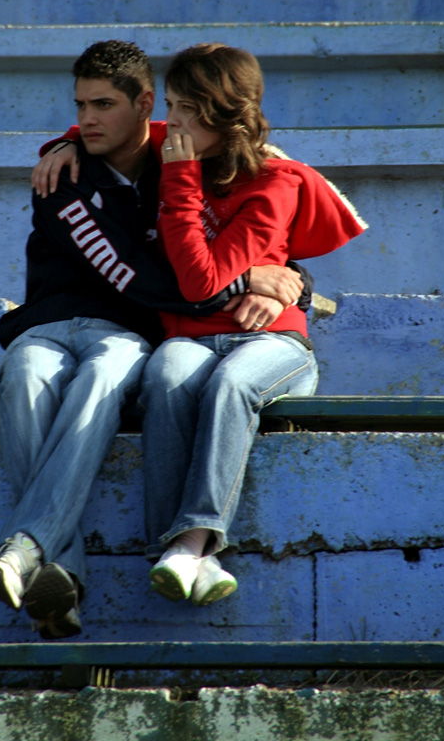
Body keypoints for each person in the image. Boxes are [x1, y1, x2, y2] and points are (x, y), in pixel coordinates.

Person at [0, 40, 306, 638]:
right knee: (23, 379)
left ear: (146, 105)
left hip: (129, 332)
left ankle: (27, 550)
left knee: (105, 376)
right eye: (79, 106)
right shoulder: (65, 170)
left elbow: (261, 231)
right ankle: (59, 570)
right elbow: (129, 271)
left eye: (102, 104)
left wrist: (291, 283)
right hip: (50, 322)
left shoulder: (182, 156)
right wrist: (64, 145)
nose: (86, 119)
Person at [138, 43, 367, 606]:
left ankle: (191, 540)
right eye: (171, 105)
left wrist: (180, 179)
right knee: (165, 377)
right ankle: (194, 558)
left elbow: (200, 279)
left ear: (221, 111)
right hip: (192, 336)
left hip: (273, 343)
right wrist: (60, 147)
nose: (174, 124)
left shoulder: (275, 182)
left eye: (187, 109)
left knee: (231, 386)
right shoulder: (173, 146)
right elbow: (108, 125)